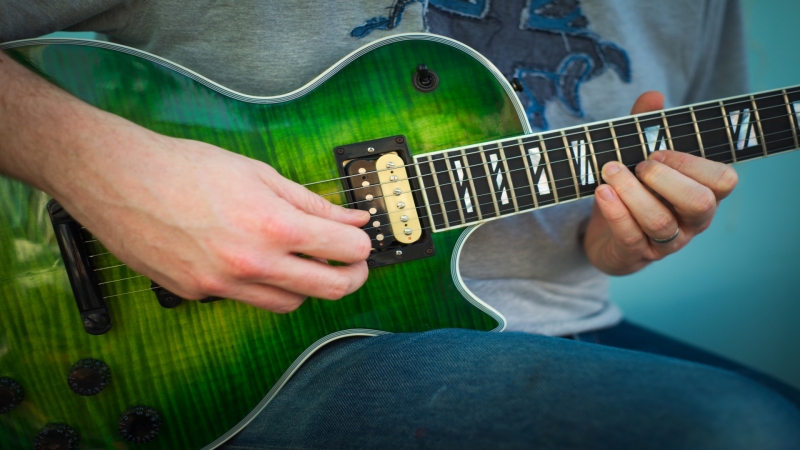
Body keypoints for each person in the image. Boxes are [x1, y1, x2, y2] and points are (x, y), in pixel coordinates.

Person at [1, 1, 799, 449]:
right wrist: (102, 170)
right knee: (738, 432)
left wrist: (628, 236)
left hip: (566, 326)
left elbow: (600, 234)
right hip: (251, 363)